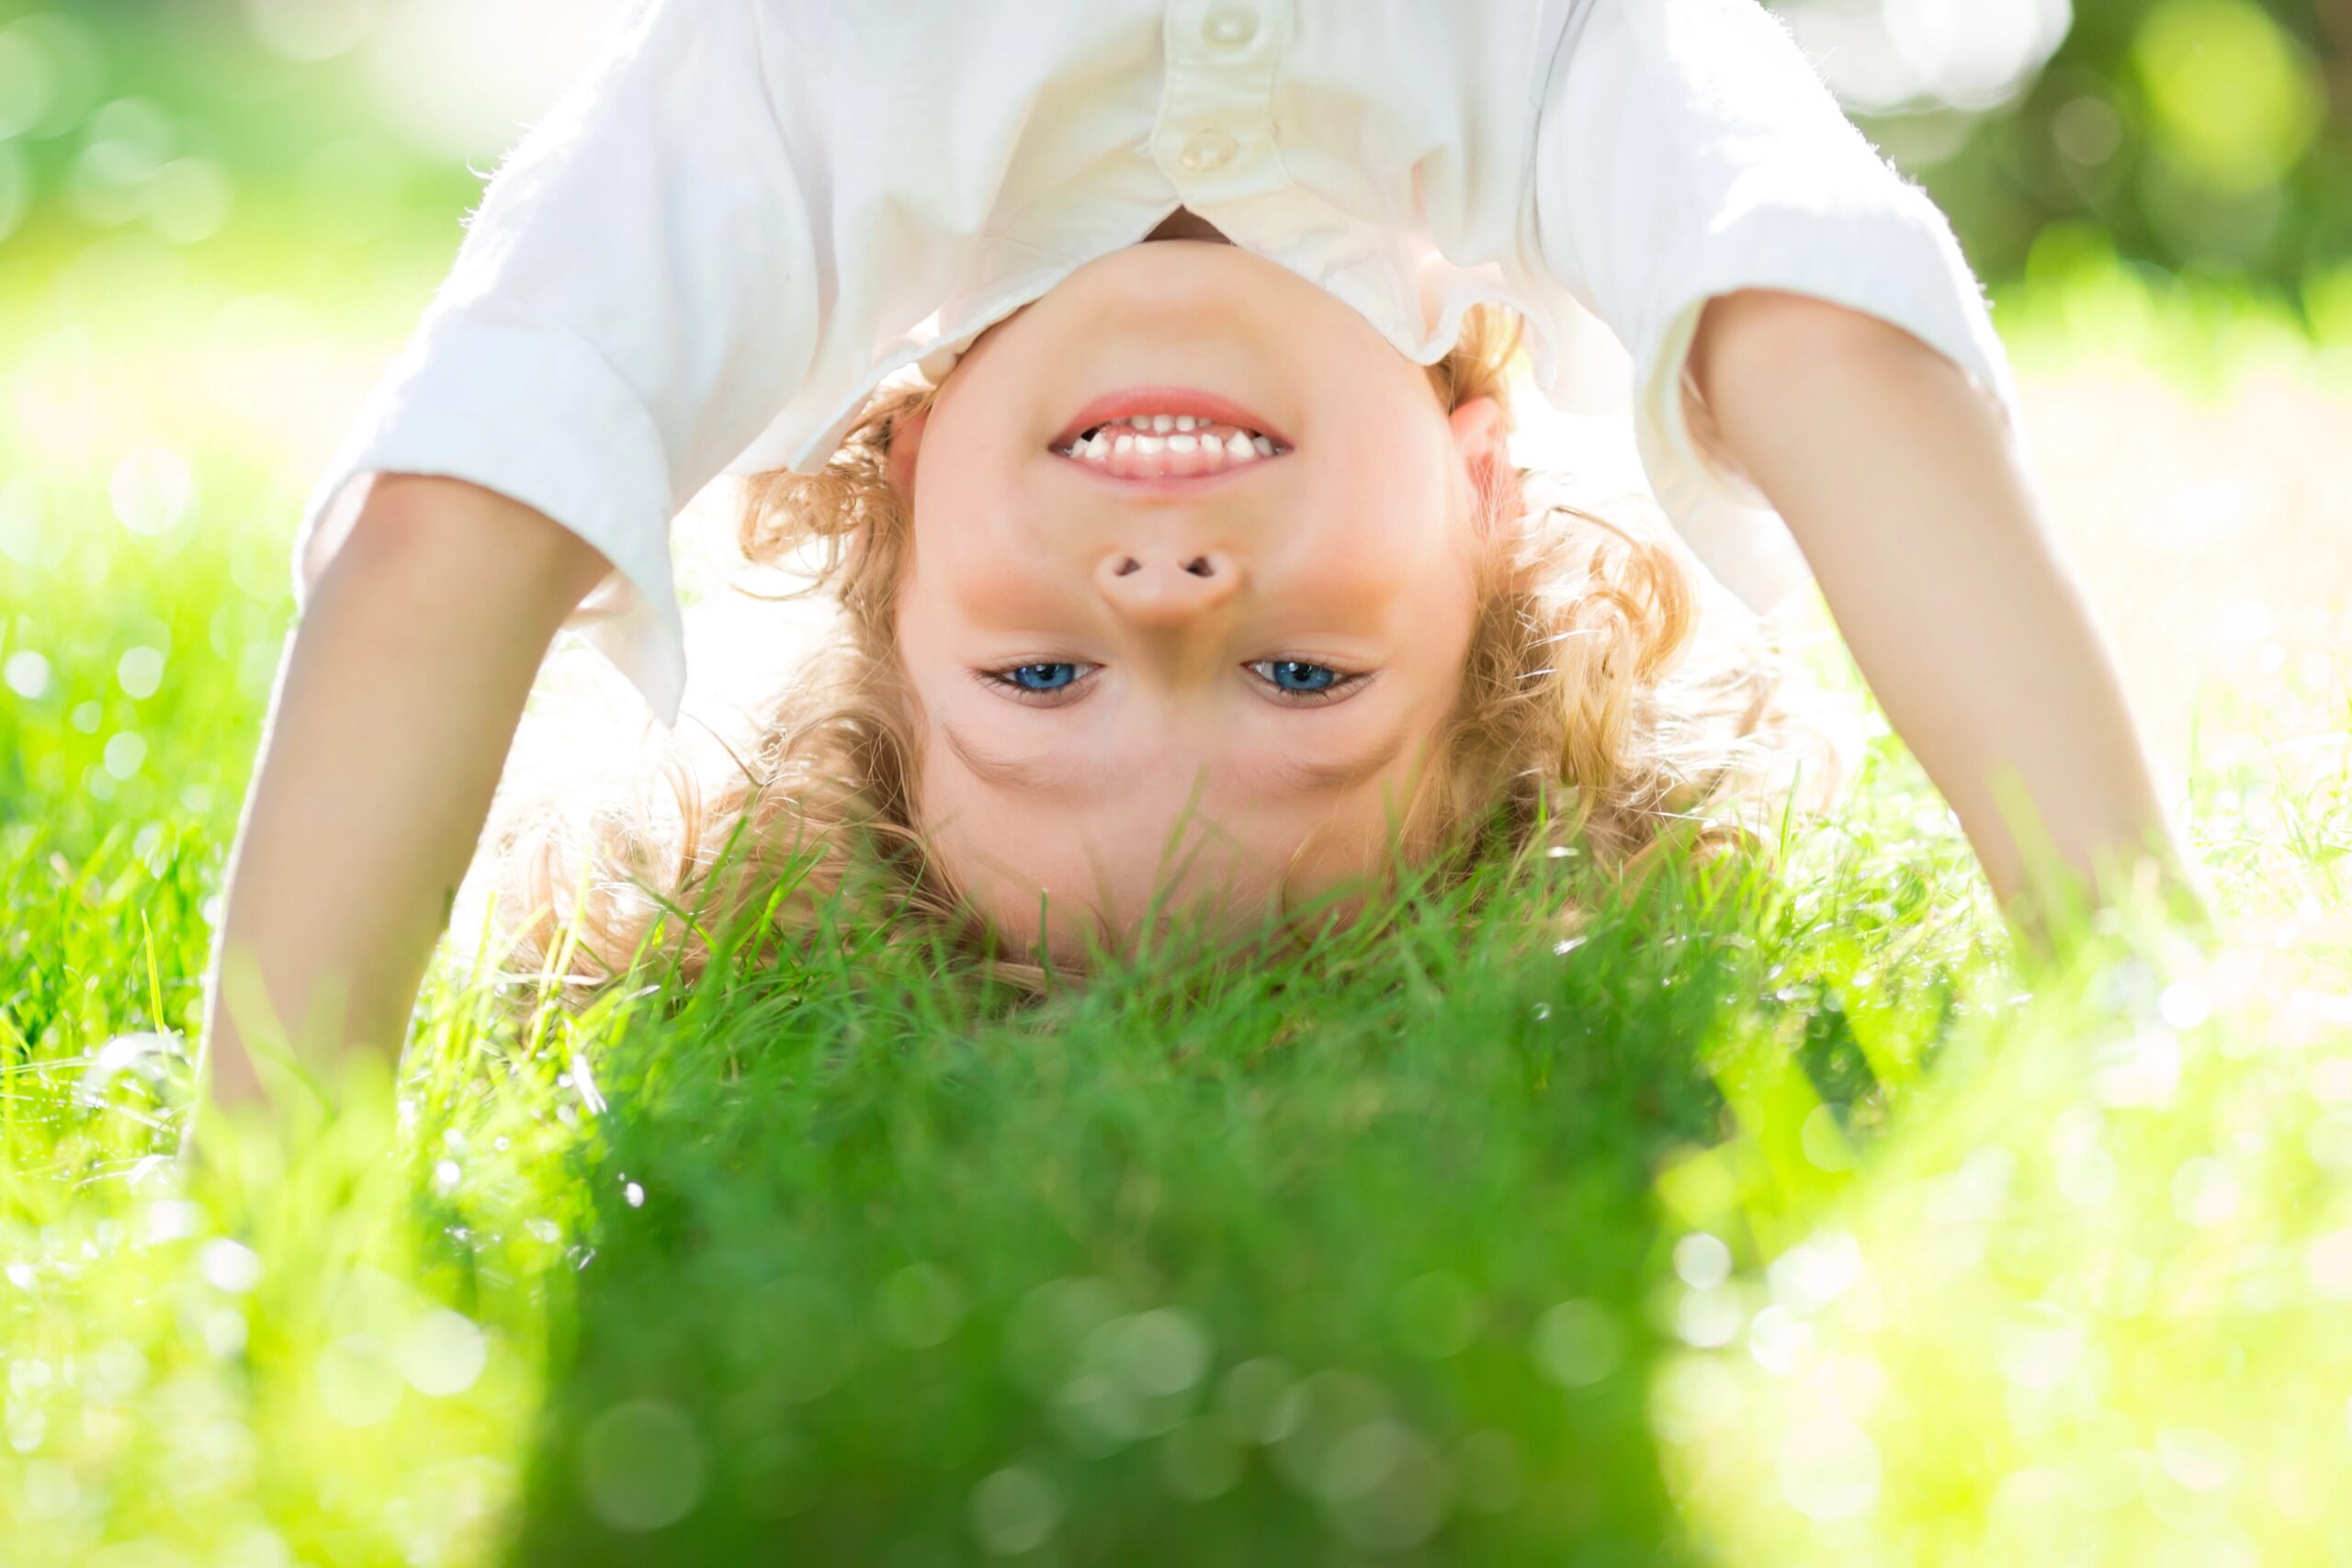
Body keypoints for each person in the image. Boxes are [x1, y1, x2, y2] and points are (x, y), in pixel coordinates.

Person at [199, 0, 2195, 1107]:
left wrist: (271, 1171)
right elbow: (1817, 327)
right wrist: (2134, 980)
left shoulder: (801, 113)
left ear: (888, 506)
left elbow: (451, 515)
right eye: (1310, 683)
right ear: (1484, 497)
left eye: (1036, 679)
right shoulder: (1552, 62)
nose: (1165, 604)